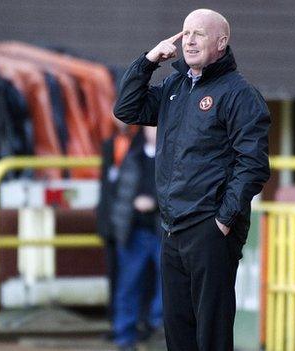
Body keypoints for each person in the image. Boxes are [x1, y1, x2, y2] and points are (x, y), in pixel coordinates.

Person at [113, 8, 270, 351]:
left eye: (199, 33)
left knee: (211, 333)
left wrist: (223, 220)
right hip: (171, 228)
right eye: (186, 33)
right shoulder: (174, 87)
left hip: (209, 229)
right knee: (178, 331)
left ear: (221, 42)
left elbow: (253, 164)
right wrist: (148, 61)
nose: (190, 40)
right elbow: (127, 108)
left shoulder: (239, 94)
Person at [96, 122, 162, 351]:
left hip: (162, 233)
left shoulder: (171, 159)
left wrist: (154, 202)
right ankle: (125, 337)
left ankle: (158, 328)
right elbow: (119, 195)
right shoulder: (132, 158)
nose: (153, 131)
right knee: (128, 286)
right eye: (151, 127)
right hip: (134, 232)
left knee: (169, 286)